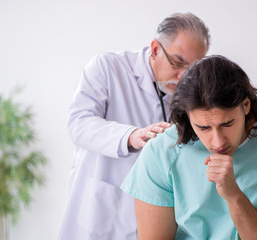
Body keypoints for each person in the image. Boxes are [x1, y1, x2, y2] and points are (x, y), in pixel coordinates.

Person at [121, 55, 257, 240]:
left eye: (227, 124)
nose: (217, 142)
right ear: (187, 116)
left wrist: (233, 195)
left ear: (246, 106)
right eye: (203, 127)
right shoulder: (161, 151)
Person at [57, 13, 210, 240]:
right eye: (178, 64)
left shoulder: (186, 94)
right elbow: (78, 123)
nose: (182, 77)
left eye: (191, 70)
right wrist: (131, 136)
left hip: (154, 217)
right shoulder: (107, 68)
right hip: (102, 211)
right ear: (155, 48)